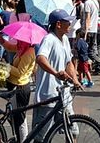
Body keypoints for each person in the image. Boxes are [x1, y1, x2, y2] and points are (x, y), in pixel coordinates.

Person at [34, 9, 81, 139]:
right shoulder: (49, 39)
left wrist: (75, 79)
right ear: (58, 24)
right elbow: (40, 58)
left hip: (63, 94)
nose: (70, 25)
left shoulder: (65, 39)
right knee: (42, 136)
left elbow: (68, 63)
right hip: (47, 95)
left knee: (72, 130)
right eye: (67, 22)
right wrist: (55, 73)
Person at [0, 33, 37, 140]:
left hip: (20, 88)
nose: (18, 42)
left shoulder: (29, 53)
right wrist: (2, 41)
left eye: (20, 40)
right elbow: (10, 47)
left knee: (20, 118)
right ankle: (18, 137)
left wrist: (7, 66)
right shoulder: (22, 49)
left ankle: (23, 139)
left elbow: (20, 72)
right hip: (14, 85)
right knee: (14, 116)